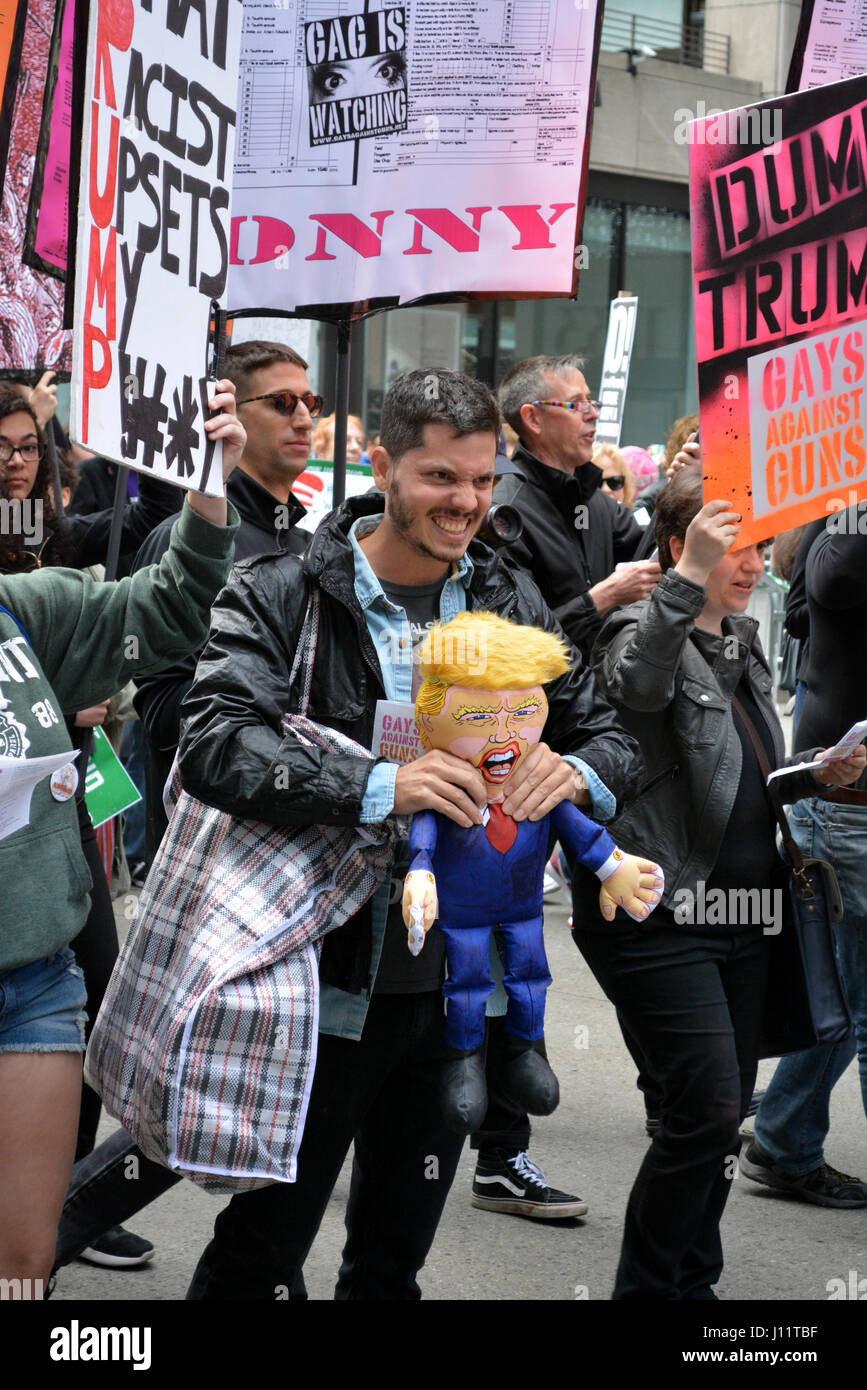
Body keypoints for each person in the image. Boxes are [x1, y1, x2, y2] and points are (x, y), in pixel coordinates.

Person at [174, 367, 643, 1298]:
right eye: (438, 478)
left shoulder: (506, 596)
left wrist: (575, 773)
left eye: (479, 478)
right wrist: (377, 784)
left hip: (457, 993)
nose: (464, 501)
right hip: (321, 977)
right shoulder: (285, 587)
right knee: (262, 1255)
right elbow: (214, 742)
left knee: (393, 1259)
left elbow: (609, 735)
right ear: (383, 466)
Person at [569, 466, 865, 1299]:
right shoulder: (636, 622)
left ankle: (691, 1281)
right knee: (698, 1112)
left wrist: (816, 771)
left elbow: (744, 776)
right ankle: (648, 1286)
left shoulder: (738, 639)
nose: (751, 562)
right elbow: (636, 688)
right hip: (659, 912)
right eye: (730, 545)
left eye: (759, 545)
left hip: (747, 916)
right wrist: (683, 581)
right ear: (677, 547)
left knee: (721, 1116)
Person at [0, 382, 243, 1290]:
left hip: (31, 981)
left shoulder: (25, 607)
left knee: (23, 1266)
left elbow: (173, 606)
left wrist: (207, 481)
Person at [740, 498, 867, 1209]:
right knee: (850, 997)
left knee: (844, 994)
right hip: (846, 805)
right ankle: (784, 1141)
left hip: (841, 803)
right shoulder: (845, 521)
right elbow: (835, 585)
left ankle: (785, 1138)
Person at [495, 354, 660, 662]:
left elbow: (654, 550)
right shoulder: (506, 512)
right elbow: (516, 642)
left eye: (591, 401)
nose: (592, 414)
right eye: (576, 404)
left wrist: (679, 485)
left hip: (602, 698)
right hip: (540, 705)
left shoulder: (593, 500)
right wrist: (604, 597)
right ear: (533, 419)